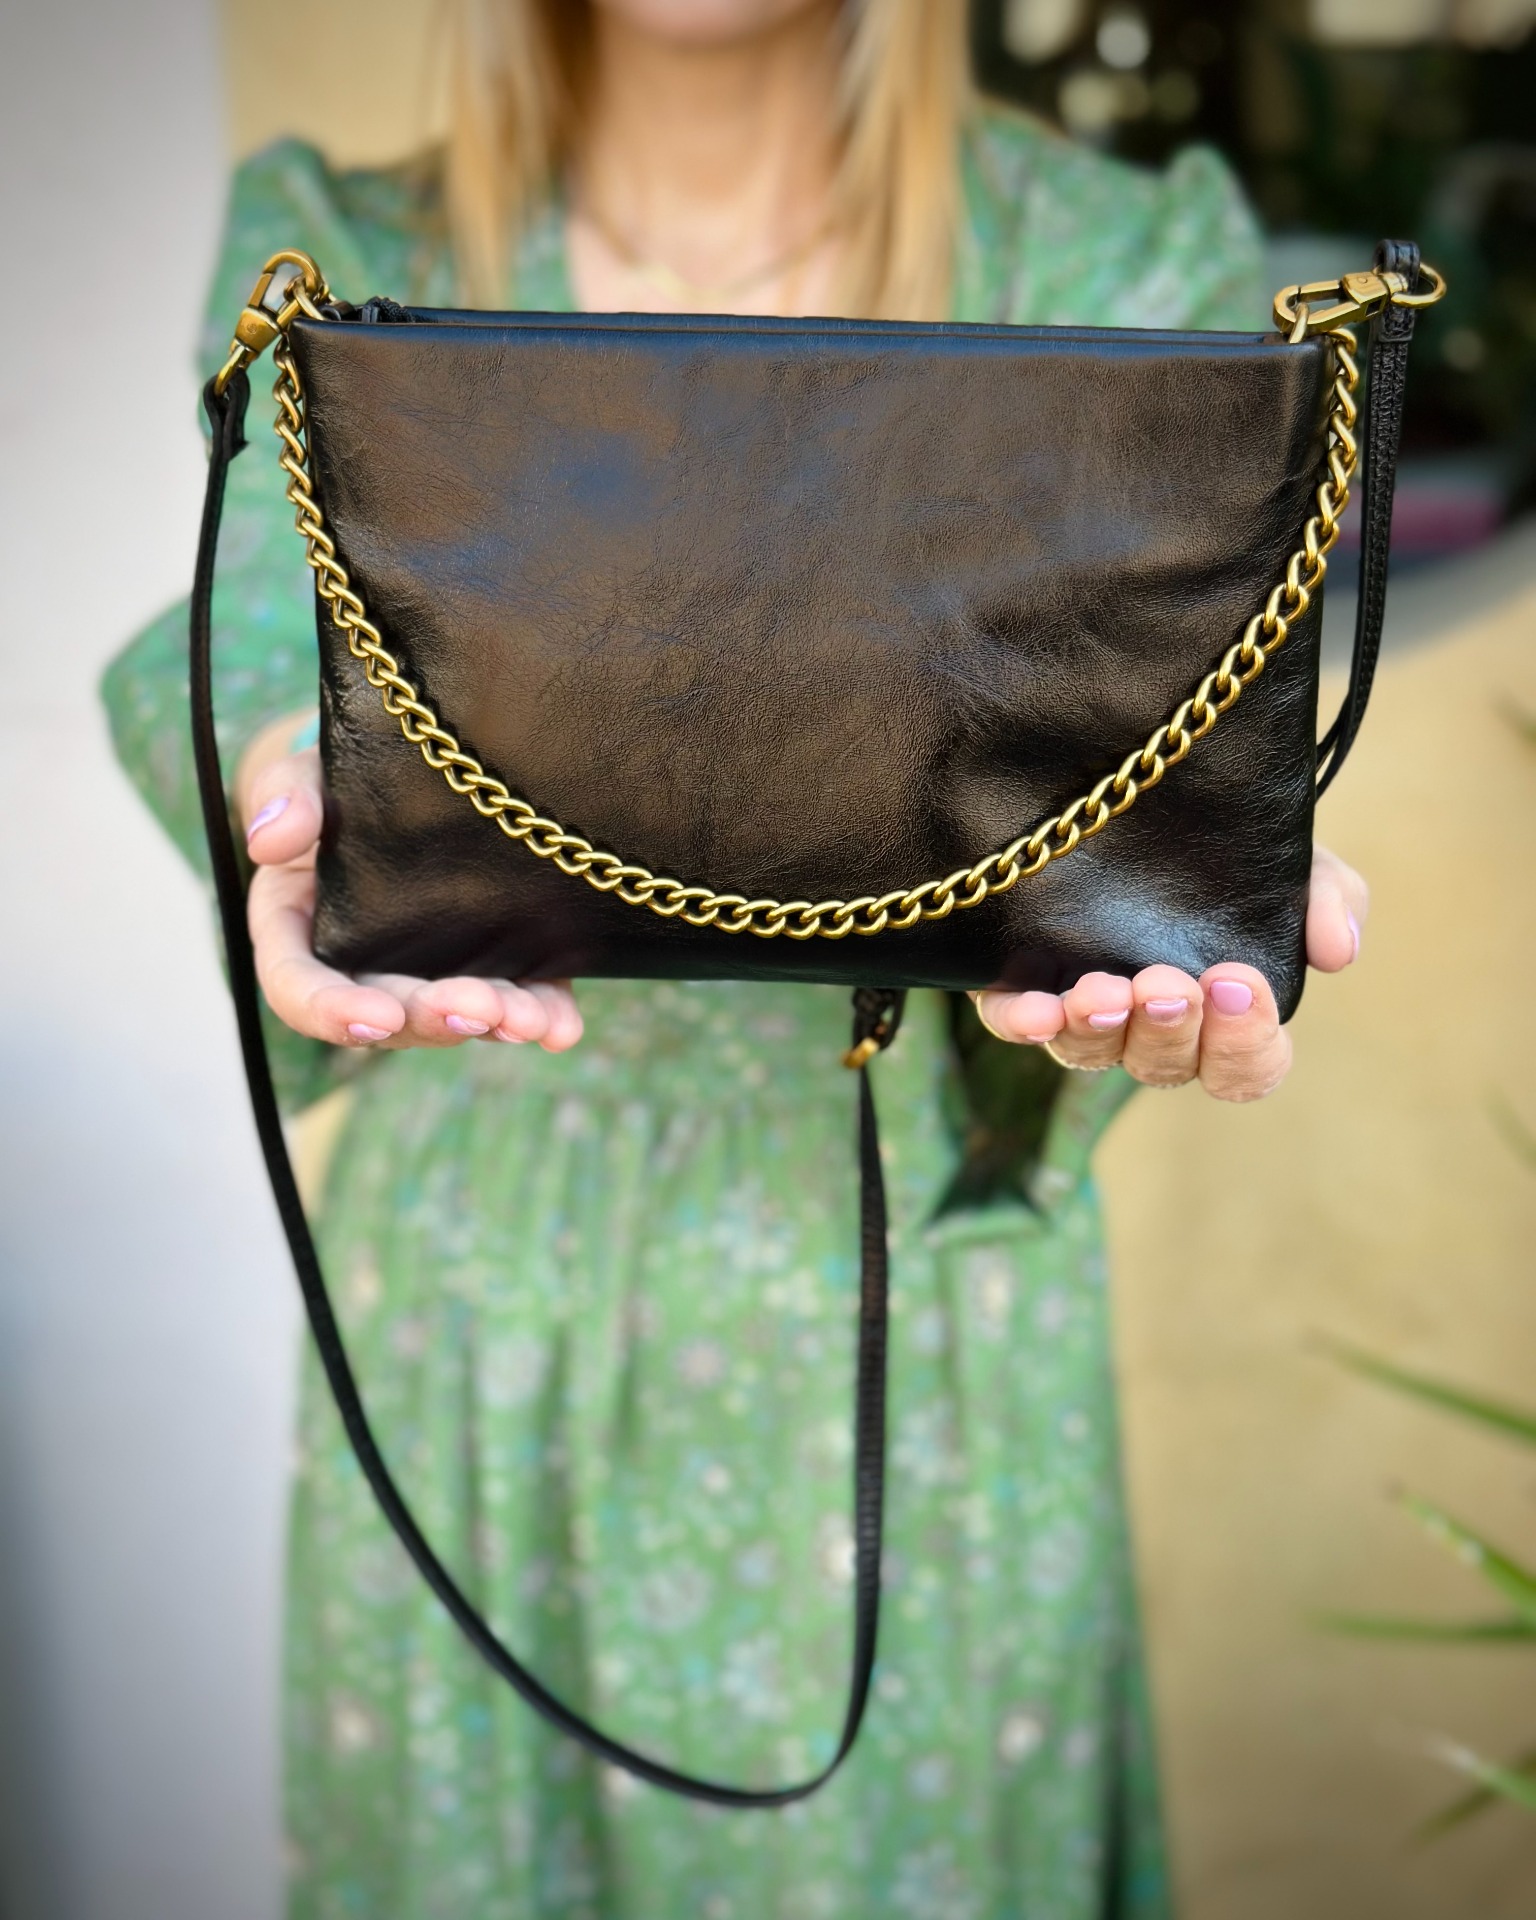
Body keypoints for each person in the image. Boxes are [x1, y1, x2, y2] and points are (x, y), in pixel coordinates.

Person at [105, 1, 1368, 1913]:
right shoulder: (344, 251)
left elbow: (1171, 709)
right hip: (485, 1288)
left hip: (916, 1314)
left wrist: (1203, 859)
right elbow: (277, 640)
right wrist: (294, 783)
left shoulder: (1117, 260)